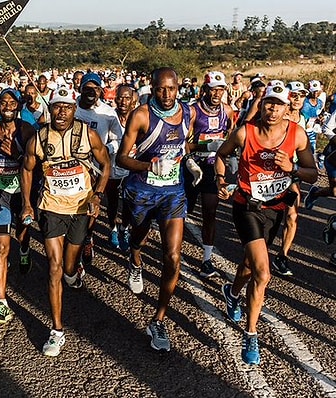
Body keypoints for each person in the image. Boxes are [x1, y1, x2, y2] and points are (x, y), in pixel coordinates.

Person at [214, 83, 317, 365]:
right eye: (268, 103)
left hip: (276, 208)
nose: (272, 109)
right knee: (263, 272)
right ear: (262, 105)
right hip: (247, 206)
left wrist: (293, 169)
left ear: (288, 108)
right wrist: (221, 180)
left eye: (279, 104)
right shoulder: (244, 132)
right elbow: (221, 155)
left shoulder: (296, 134)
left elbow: (312, 174)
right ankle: (251, 334)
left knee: (249, 266)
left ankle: (232, 292)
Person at [21, 87, 111, 357]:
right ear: (51, 109)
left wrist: (98, 195)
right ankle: (57, 330)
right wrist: (27, 202)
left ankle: (75, 272)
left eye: (67, 107)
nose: (62, 112)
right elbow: (27, 169)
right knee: (54, 267)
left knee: (69, 267)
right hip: (51, 207)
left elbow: (106, 164)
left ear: (75, 109)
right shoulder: (39, 138)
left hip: (81, 207)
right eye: (57, 107)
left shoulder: (88, 134)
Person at [116, 67, 200, 352]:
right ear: (152, 88)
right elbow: (122, 158)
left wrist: (190, 163)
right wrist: (148, 165)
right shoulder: (141, 115)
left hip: (173, 193)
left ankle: (158, 319)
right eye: (161, 89)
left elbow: (183, 145)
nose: (167, 95)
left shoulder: (188, 113)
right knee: (139, 238)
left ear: (179, 88)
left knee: (173, 255)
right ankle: (135, 258)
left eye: (172, 88)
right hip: (142, 190)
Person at [0, 88, 36, 324]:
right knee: (2, 248)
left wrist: (17, 155)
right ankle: (2, 301)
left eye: (11, 102)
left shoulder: (26, 130)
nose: (7, 106)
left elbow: (34, 162)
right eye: (2, 102)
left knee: (22, 233)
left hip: (22, 192)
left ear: (18, 106)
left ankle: (24, 249)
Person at [186, 71, 234, 278]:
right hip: (192, 166)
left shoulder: (228, 111)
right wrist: (205, 144)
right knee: (182, 212)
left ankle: (207, 259)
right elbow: (183, 143)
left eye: (220, 89)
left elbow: (230, 136)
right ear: (205, 90)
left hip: (213, 167)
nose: (217, 93)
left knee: (210, 212)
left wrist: (229, 153)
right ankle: (172, 252)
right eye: (213, 89)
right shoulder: (193, 111)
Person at [75, 72, 125, 261]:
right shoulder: (70, 108)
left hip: (95, 169)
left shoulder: (108, 113)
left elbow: (119, 139)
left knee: (91, 205)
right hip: (71, 167)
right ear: (80, 89)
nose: (91, 92)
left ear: (100, 91)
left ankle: (87, 237)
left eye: (95, 89)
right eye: (87, 88)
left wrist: (104, 149)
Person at [270, 81, 309, 277]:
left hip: (292, 175)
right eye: (294, 95)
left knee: (292, 215)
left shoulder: (302, 119)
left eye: (301, 95)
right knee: (269, 215)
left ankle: (282, 256)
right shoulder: (276, 115)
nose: (298, 99)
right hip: (269, 175)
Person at [113, 84, 139, 250]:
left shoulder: (139, 117)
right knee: (113, 201)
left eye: (127, 98)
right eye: (120, 98)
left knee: (130, 203)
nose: (123, 101)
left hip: (132, 167)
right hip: (113, 166)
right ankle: (113, 228)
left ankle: (124, 227)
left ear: (133, 102)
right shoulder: (109, 116)